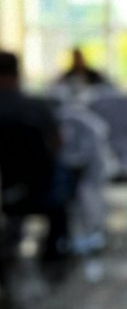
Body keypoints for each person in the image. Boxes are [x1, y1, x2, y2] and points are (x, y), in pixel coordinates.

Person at [0, 49, 73, 260]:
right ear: (17, 73)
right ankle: (55, 248)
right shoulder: (38, 107)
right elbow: (58, 143)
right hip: (40, 186)